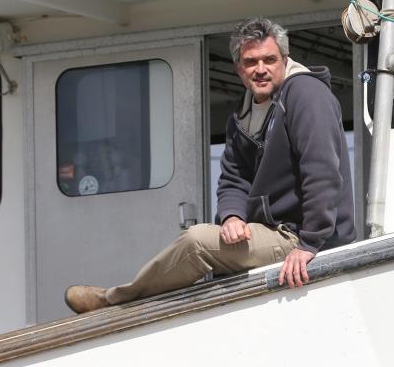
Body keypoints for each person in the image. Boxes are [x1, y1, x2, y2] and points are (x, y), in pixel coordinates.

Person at [64, 17, 355, 313]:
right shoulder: (243, 115)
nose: (261, 69)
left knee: (197, 241)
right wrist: (231, 217)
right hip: (271, 230)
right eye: (251, 62)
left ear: (285, 59)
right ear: (238, 68)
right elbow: (233, 178)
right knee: (213, 239)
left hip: (298, 235)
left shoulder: (306, 94)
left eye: (269, 59)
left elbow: (322, 172)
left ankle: (116, 302)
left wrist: (309, 244)